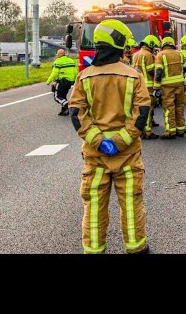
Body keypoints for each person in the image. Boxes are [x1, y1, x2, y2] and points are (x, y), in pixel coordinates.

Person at [68, 19, 151, 254]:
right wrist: (120, 141)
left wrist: (99, 141)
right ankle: (136, 248)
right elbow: (141, 114)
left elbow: (77, 115)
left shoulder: (84, 77)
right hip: (127, 156)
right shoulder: (134, 77)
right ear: (119, 44)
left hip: (95, 156)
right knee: (131, 203)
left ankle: (94, 249)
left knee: (94, 205)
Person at [153, 36, 186, 139]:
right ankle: (180, 129)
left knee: (169, 108)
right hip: (180, 84)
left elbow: (158, 73)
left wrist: (156, 87)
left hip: (167, 87)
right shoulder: (180, 54)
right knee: (179, 107)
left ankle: (170, 131)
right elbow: (185, 67)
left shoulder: (160, 55)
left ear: (163, 44)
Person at [132, 35, 160, 139]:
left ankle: (144, 127)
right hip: (148, 85)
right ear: (151, 44)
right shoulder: (148, 55)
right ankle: (147, 131)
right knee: (148, 108)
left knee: (140, 108)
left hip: (138, 84)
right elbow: (151, 70)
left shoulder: (135, 55)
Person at [46, 48, 78, 116]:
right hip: (69, 82)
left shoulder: (58, 62)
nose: (57, 55)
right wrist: (74, 80)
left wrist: (48, 81)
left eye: (57, 54)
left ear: (59, 55)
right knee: (63, 95)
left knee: (57, 96)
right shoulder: (71, 60)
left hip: (62, 82)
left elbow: (54, 73)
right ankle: (64, 111)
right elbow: (75, 72)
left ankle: (67, 106)